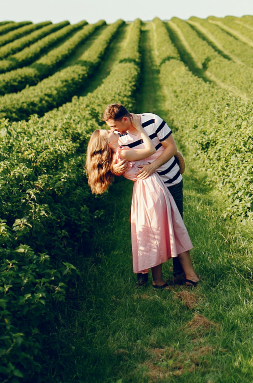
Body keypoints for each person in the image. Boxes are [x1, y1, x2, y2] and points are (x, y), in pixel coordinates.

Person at [84, 117, 200, 288]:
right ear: (107, 143)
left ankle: (162, 278)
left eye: (111, 128)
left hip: (147, 191)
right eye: (108, 132)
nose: (112, 131)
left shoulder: (117, 154)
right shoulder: (122, 153)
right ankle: (175, 277)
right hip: (152, 191)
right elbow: (149, 149)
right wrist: (139, 128)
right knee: (169, 230)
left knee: (155, 234)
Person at [103, 103, 190, 285]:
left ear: (125, 119)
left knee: (176, 225)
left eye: (114, 126)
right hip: (150, 190)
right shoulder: (119, 135)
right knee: (153, 229)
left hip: (169, 179)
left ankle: (180, 274)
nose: (112, 130)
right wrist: (115, 168)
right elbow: (118, 156)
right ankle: (147, 273)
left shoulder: (153, 121)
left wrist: (152, 166)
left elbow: (171, 148)